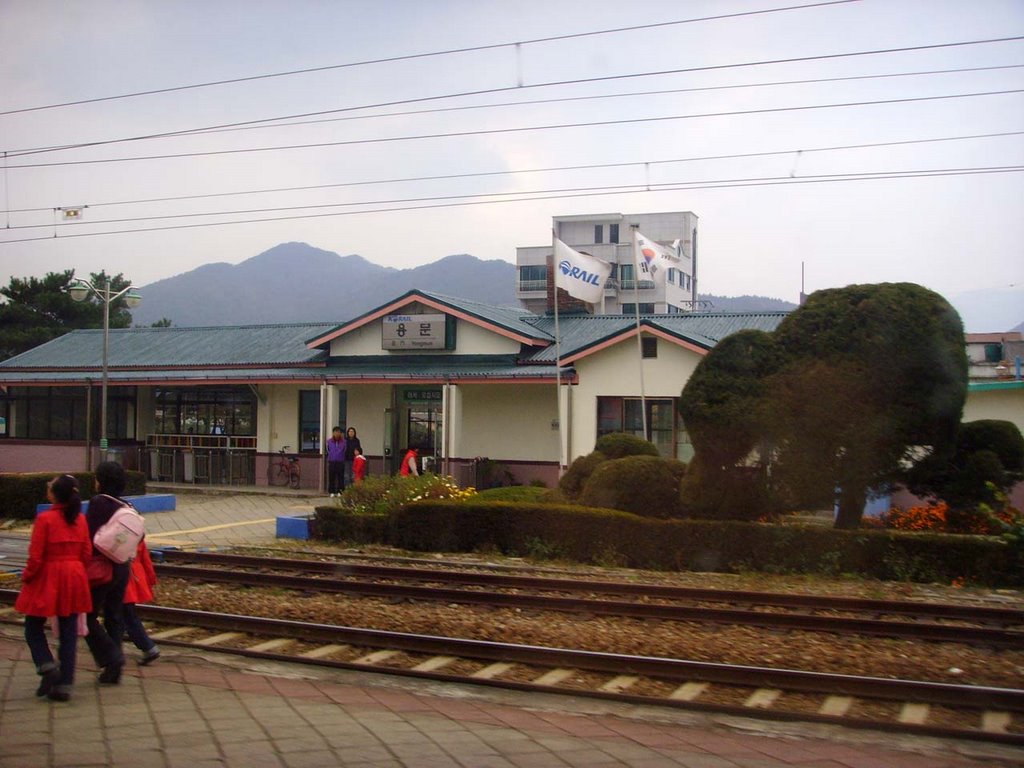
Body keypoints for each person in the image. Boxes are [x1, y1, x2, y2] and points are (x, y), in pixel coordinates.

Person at [15, 474, 92, 702]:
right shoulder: (80, 519)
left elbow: (36, 556)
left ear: (54, 494)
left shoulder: (45, 519)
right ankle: (65, 683)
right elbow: (87, 553)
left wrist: (27, 577)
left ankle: (46, 664)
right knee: (69, 631)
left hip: (49, 575)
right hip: (75, 575)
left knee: (33, 625)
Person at [84, 461, 132, 685]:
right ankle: (114, 670)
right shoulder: (126, 506)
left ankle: (112, 658)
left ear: (101, 481)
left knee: (86, 615)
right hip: (122, 565)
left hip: (101, 568)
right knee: (114, 615)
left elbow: (89, 537)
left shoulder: (98, 503)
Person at [122, 538, 160, 665]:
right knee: (125, 614)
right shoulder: (137, 534)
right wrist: (151, 579)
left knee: (126, 616)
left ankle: (148, 647)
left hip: (122, 579)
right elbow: (146, 560)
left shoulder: (114, 533)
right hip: (135, 577)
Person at [326, 426, 347, 497]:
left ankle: (340, 491)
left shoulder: (344, 442)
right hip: (332, 461)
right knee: (331, 477)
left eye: (338, 432)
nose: (337, 434)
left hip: (340, 461)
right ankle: (331, 491)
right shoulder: (329, 441)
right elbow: (328, 450)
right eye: (335, 432)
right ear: (333, 433)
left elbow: (345, 450)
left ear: (340, 433)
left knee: (340, 477)